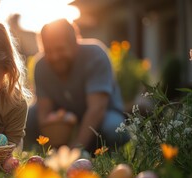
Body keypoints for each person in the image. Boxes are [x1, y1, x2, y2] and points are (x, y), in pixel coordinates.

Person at [25, 19, 128, 152]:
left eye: (60, 49)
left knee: (114, 129)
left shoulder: (96, 55)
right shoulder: (41, 66)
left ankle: (95, 149)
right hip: (65, 117)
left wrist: (75, 150)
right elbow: (44, 113)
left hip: (104, 113)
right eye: (48, 51)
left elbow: (96, 109)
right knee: (29, 117)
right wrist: (52, 145)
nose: (54, 56)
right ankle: (41, 150)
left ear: (75, 43)